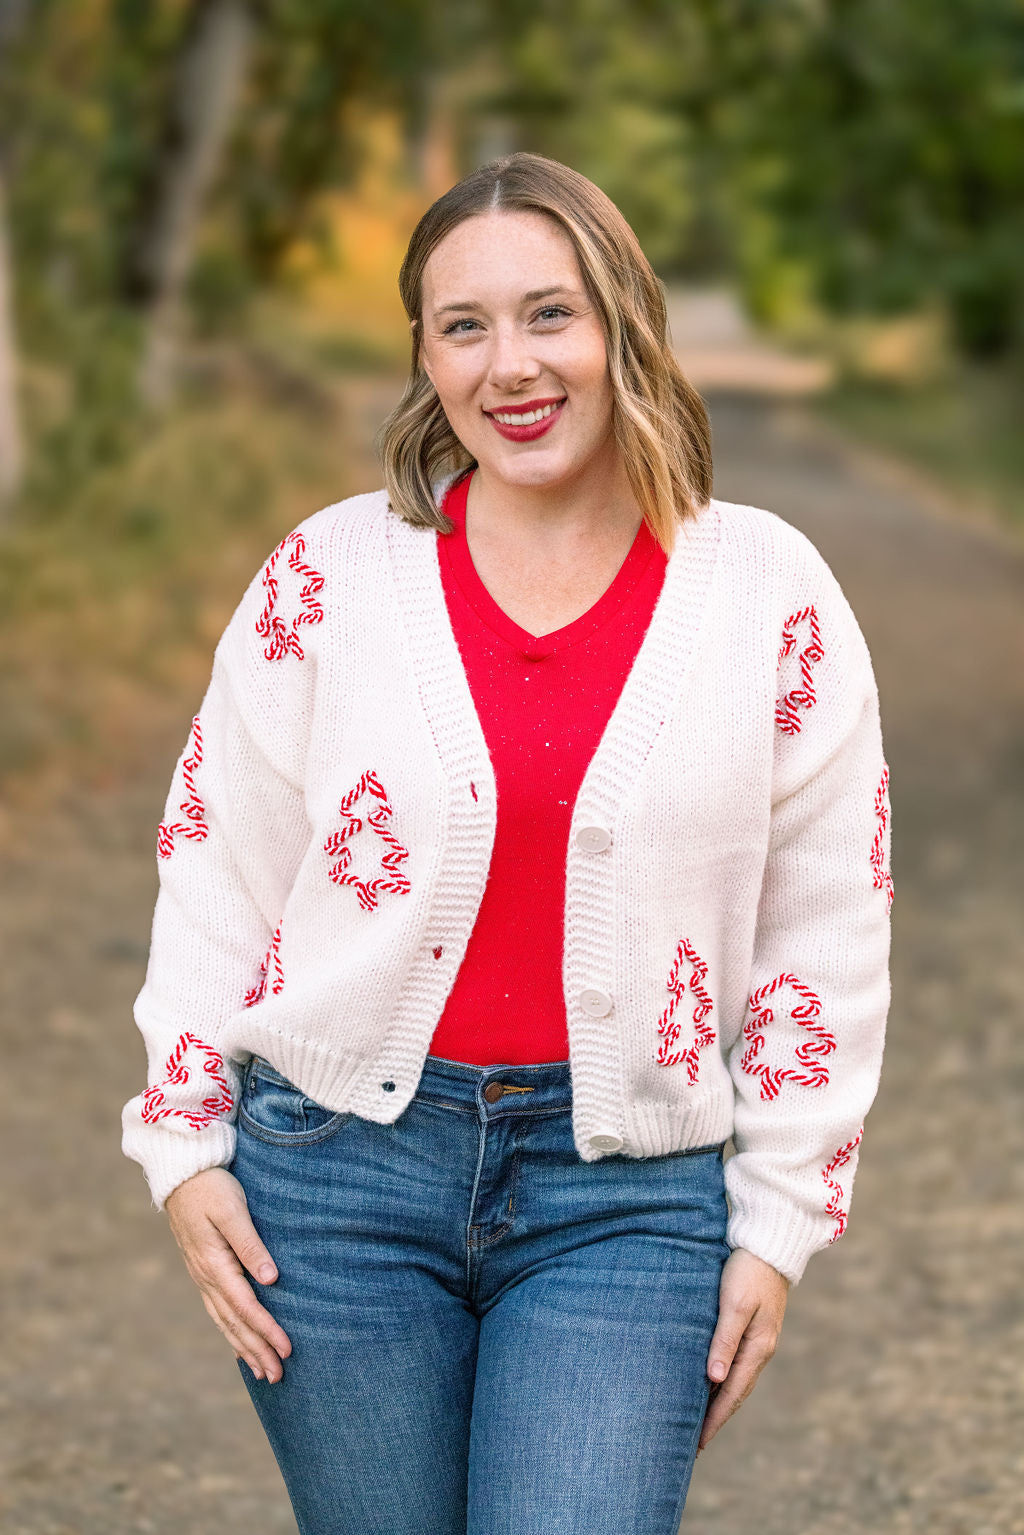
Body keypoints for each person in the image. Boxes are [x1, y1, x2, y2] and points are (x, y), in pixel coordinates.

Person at [121, 151, 892, 1535]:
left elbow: (824, 924)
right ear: (423, 354)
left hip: (628, 1205)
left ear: (623, 326)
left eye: (551, 314)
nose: (512, 365)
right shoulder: (330, 576)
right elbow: (216, 863)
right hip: (334, 1183)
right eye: (464, 325)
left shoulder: (766, 592)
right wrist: (182, 1147)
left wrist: (781, 1216)